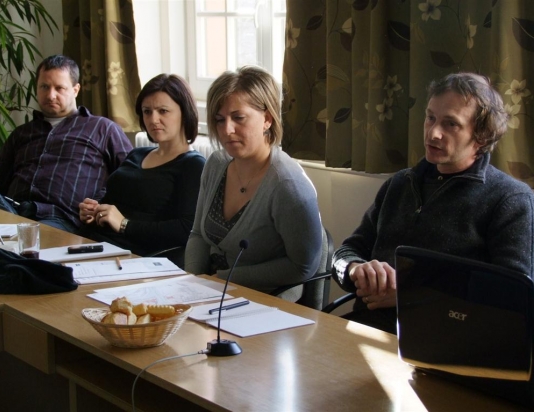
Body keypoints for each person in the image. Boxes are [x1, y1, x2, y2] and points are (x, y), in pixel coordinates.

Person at [332, 72, 534, 334]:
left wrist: (411, 295)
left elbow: (512, 295)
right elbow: (346, 251)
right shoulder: (400, 184)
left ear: (481, 136)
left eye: (451, 124)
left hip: (447, 339)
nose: (433, 133)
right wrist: (354, 269)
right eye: (430, 118)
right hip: (368, 328)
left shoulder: (510, 200)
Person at [184, 66, 323, 297]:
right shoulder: (216, 164)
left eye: (238, 118)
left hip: (267, 300)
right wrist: (192, 283)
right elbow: (198, 234)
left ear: (267, 119)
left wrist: (222, 280)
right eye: (219, 120)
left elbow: (303, 267)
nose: (227, 129)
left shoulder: (287, 185)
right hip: (212, 292)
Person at [0, 54, 132, 233]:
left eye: (59, 88)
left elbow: (131, 176)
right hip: (12, 212)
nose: (51, 95)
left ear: (76, 90)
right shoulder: (22, 134)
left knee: (29, 239)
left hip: (61, 217)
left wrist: (99, 201)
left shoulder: (102, 128)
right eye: (44, 87)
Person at [78, 74, 205, 256]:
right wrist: (94, 211)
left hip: (135, 255)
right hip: (93, 241)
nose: (153, 120)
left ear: (184, 113)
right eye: (147, 112)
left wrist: (125, 225)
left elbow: (186, 229)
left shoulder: (193, 165)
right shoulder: (137, 153)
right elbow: (113, 202)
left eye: (163, 111)